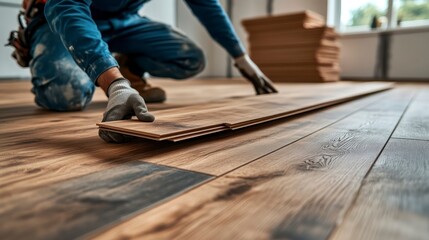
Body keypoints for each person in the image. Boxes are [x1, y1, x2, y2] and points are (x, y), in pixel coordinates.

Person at [8, 0, 278, 143]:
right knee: (65, 94)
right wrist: (115, 84)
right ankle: (104, 66)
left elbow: (207, 5)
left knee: (190, 59)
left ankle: (125, 64)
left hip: (123, 22)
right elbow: (66, 5)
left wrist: (241, 57)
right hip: (62, 16)